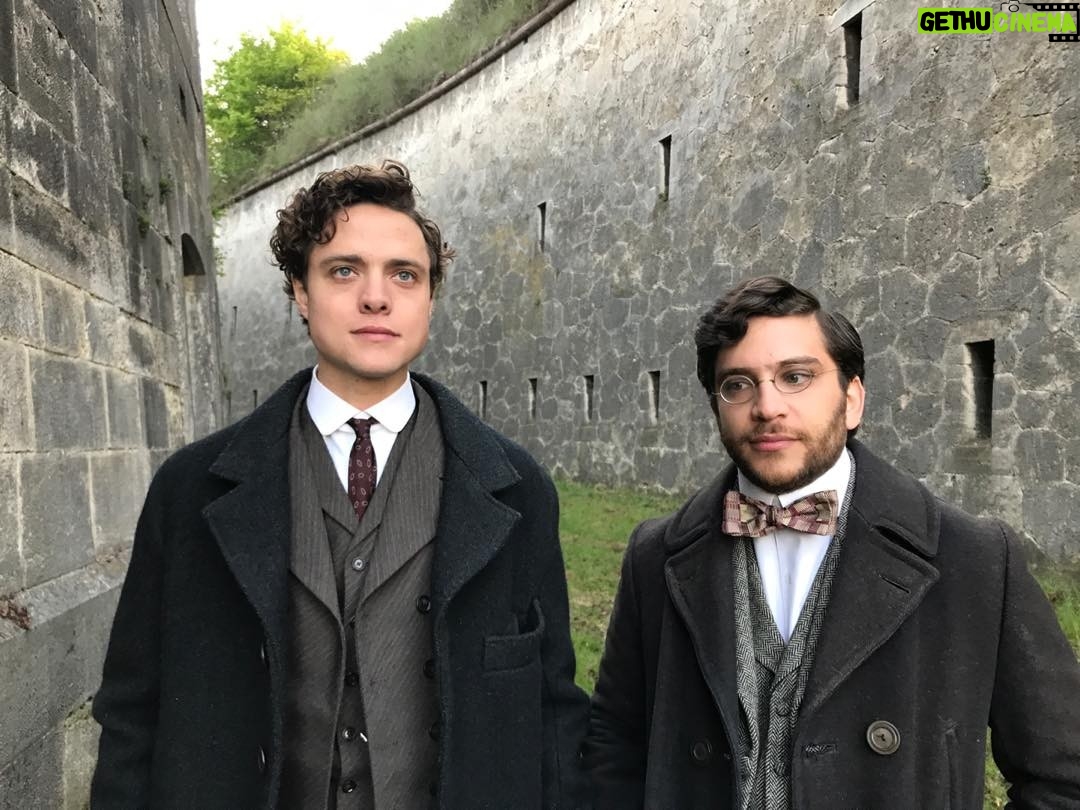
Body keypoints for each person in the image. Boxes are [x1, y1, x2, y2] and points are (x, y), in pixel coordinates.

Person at [91, 161, 590, 809]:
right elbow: (132, 710)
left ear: (429, 298)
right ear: (300, 292)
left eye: (404, 275)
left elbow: (553, 713)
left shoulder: (519, 490)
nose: (376, 298)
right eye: (345, 271)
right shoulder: (188, 491)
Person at [583, 275, 1080, 808]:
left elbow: (1063, 777)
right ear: (716, 407)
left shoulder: (973, 559)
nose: (767, 406)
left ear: (852, 398)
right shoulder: (654, 557)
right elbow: (613, 751)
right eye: (738, 384)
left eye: (795, 377)